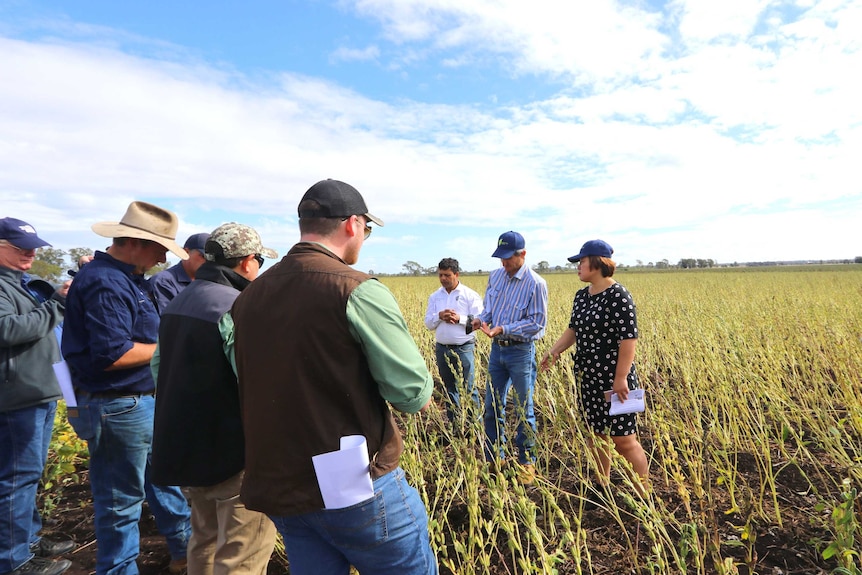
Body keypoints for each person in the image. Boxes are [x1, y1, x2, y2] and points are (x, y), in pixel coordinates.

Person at [230, 179, 437, 575]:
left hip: (283, 485)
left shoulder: (247, 299)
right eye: (367, 230)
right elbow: (411, 393)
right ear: (352, 225)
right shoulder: (356, 289)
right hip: (353, 485)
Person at [61, 202, 192, 575]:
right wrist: (172, 349)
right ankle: (119, 568)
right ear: (135, 241)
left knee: (163, 480)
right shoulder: (105, 281)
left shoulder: (125, 278)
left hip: (135, 403)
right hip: (117, 404)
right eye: (159, 247)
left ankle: (184, 553)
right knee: (120, 502)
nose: (164, 256)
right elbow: (112, 354)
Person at [150, 223, 278, 575]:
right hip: (233, 455)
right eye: (260, 263)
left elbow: (159, 369)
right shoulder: (236, 308)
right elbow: (257, 386)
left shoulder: (179, 300)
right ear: (248, 262)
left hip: (189, 450)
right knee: (242, 554)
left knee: (204, 540)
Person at [539, 239, 649, 498]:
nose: (578, 267)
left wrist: (621, 378)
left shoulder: (619, 295)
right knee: (596, 434)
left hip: (616, 381)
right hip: (587, 377)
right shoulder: (582, 296)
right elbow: (573, 330)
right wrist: (554, 352)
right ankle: (603, 488)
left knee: (624, 439)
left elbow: (628, 339)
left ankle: (645, 496)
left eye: (581, 261)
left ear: (598, 263)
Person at [0, 218, 74, 575]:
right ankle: (13, 560)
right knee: (17, 477)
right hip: (17, 398)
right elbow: (7, 329)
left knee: (27, 474)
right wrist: (56, 303)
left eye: (32, 246)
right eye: (19, 246)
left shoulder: (20, 282)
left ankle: (26, 539)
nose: (30, 252)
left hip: (38, 392)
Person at [470, 231, 548, 485]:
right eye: (500, 257)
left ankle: (527, 462)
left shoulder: (536, 284)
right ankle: (495, 458)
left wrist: (504, 328)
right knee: (492, 406)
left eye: (508, 258)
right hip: (497, 351)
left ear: (522, 254)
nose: (503, 263)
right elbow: (490, 309)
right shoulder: (495, 277)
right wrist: (482, 320)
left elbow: (537, 323)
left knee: (524, 408)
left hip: (521, 352)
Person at [423, 257, 483, 427]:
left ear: (456, 274)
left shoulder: (470, 295)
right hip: (442, 349)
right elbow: (428, 323)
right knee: (450, 389)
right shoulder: (435, 297)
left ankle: (474, 426)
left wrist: (459, 319)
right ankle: (455, 425)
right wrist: (439, 316)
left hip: (464, 348)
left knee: (469, 388)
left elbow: (481, 321)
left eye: (447, 275)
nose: (443, 279)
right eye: (440, 275)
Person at [149, 232, 210, 313]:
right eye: (203, 256)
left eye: (211, 259)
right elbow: (168, 320)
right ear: (186, 252)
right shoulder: (163, 282)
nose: (208, 262)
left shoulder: (208, 283)